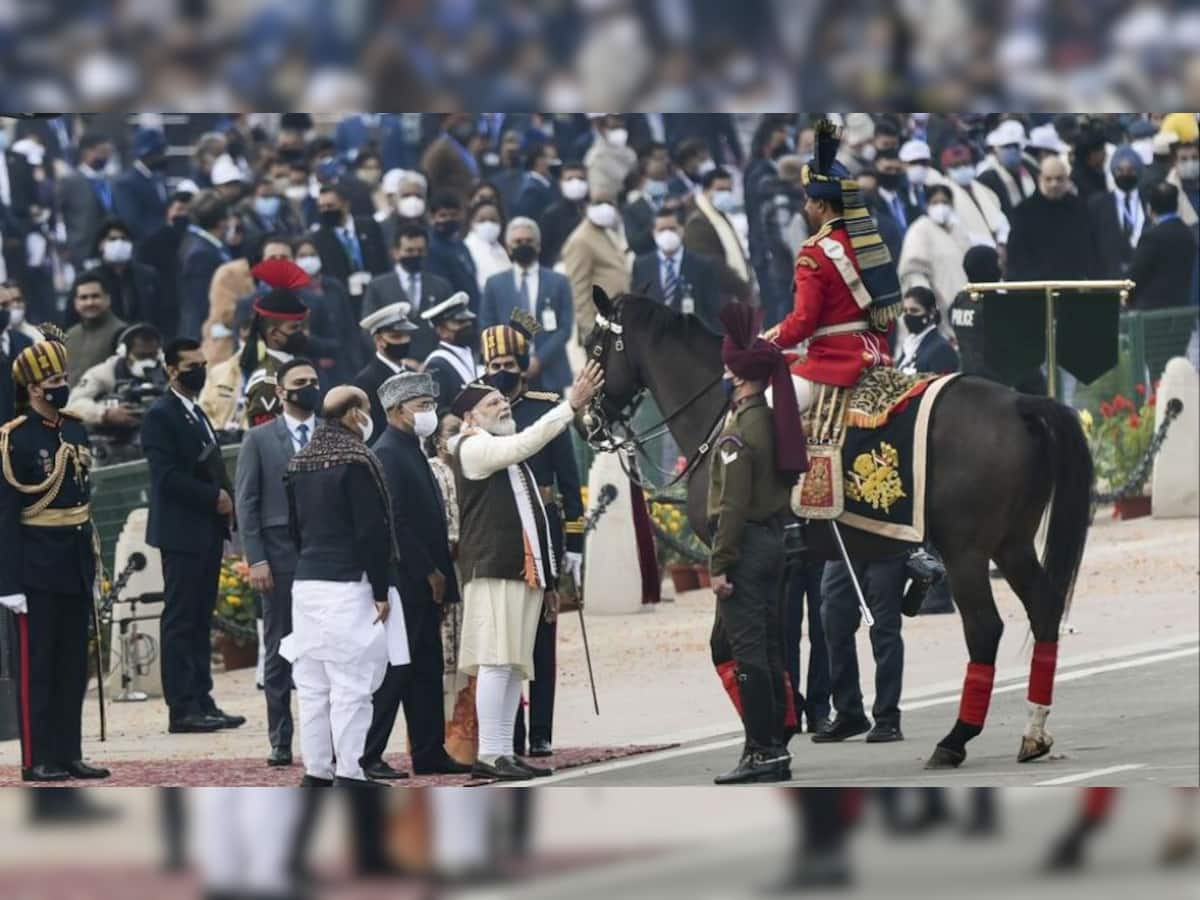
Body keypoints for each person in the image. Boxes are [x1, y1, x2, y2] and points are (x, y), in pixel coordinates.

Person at [448, 360, 603, 781]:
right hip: (495, 569)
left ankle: (503, 752)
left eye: (502, 400)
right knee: (497, 662)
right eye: (492, 403)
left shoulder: (506, 452)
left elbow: (535, 523)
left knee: (515, 664)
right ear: (470, 417)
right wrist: (569, 407)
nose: (502, 406)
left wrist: (551, 580)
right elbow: (524, 444)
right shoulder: (473, 446)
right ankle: (491, 754)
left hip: (523, 572)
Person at [283, 385, 406, 786]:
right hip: (349, 584)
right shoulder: (356, 459)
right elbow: (371, 530)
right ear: (354, 415)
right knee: (352, 686)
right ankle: (351, 772)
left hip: (307, 583)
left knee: (314, 687)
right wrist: (381, 589)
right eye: (367, 410)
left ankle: (317, 771)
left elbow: (294, 529)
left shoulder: (300, 461)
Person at [0, 338, 110, 782]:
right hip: (36, 567)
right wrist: (8, 583)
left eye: (64, 379)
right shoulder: (14, 439)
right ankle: (37, 757)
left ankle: (69, 752)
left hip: (74, 559)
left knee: (71, 665)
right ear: (32, 389)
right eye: (54, 381)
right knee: (37, 667)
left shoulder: (76, 429)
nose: (62, 387)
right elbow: (5, 517)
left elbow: (82, 498)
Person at [706, 302, 807, 785]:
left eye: (729, 365)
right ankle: (774, 743)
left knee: (748, 653)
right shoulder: (768, 420)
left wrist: (719, 563)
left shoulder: (738, 433)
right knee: (767, 648)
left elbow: (731, 507)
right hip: (771, 542)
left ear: (740, 377)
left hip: (744, 548)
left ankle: (762, 749)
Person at [479, 316, 586, 758]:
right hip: (502, 531)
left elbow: (569, 479)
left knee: (540, 639)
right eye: (494, 364)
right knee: (506, 643)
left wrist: (576, 545)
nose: (501, 370)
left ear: (523, 365)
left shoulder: (545, 406)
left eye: (508, 362)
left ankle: (540, 730)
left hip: (545, 529)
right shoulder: (478, 411)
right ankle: (510, 734)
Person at [364, 372, 473, 778]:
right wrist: (427, 570)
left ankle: (429, 752)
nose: (429, 412)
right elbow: (397, 521)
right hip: (409, 579)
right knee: (399, 671)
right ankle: (369, 754)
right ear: (395, 411)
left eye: (430, 404)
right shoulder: (389, 452)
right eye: (421, 406)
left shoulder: (412, 448)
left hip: (430, 580)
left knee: (426, 670)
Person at [141, 337, 246, 735]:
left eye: (203, 363)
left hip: (204, 531)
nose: (199, 371)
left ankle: (203, 698)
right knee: (181, 620)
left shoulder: (195, 413)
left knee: (201, 619)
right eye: (191, 365)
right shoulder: (160, 415)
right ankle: (182, 707)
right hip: (181, 531)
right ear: (171, 369)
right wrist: (213, 497)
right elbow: (165, 478)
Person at [235, 357, 321, 769]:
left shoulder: (330, 432)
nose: (309, 387)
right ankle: (281, 738)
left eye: (314, 381)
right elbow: (246, 504)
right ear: (282, 391)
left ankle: (326, 736)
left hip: (326, 556)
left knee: (327, 650)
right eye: (300, 382)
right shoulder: (259, 439)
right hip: (279, 556)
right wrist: (257, 559)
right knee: (280, 650)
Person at [813, 555, 908, 744]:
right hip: (842, 546)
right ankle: (849, 713)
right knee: (834, 623)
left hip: (886, 544)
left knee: (884, 631)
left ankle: (887, 717)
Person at [479, 217, 575, 393]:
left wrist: (538, 360)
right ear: (508, 247)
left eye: (528, 241)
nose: (523, 244)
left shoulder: (559, 282)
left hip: (551, 372)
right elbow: (487, 327)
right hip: (508, 375)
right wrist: (512, 361)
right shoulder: (494, 284)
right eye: (518, 241)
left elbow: (565, 329)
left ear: (538, 246)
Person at [64, 322, 166, 464]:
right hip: (113, 442)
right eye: (141, 356)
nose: (147, 362)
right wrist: (105, 413)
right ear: (124, 352)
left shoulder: (168, 370)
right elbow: (73, 405)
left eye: (152, 355)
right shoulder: (103, 373)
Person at [1128, 182, 1200, 380]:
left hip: (1153, 317)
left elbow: (1135, 277)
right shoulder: (1188, 234)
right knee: (1175, 367)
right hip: (1181, 315)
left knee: (1157, 370)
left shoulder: (1152, 237)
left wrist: (1127, 300)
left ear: (1150, 208)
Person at [362, 223, 453, 361]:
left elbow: (450, 327)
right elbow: (369, 331)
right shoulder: (378, 286)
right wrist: (394, 358)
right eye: (409, 251)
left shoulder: (441, 286)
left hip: (434, 362)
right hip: (394, 363)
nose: (415, 255)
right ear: (395, 252)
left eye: (420, 250)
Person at [632, 205, 725, 334]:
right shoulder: (641, 266)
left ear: (682, 230)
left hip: (691, 342)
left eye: (672, 229)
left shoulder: (703, 266)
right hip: (655, 342)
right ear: (654, 233)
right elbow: (638, 310)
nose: (667, 234)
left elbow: (713, 311)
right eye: (662, 230)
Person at [897, 184, 972, 337]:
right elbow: (914, 273)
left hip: (963, 310)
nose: (941, 207)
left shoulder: (959, 231)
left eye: (945, 202)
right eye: (935, 202)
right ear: (927, 205)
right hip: (936, 311)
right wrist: (928, 306)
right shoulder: (920, 230)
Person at [1007, 155, 1098, 282]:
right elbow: (1016, 258)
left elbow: (1090, 250)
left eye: (1059, 179)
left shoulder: (1080, 208)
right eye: (1048, 179)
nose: (1054, 184)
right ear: (1040, 179)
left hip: (1073, 286)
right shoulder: (1023, 213)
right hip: (1035, 289)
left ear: (1067, 179)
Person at [561, 187, 632, 342]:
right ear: (586, 205)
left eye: (609, 202)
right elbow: (578, 289)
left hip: (618, 320)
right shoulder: (580, 240)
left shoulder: (608, 233)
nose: (605, 208)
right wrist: (590, 331)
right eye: (598, 202)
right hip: (600, 326)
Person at [238, 287, 311, 427]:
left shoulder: (298, 366)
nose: (302, 333)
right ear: (274, 334)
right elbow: (266, 440)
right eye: (294, 328)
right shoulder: (267, 382)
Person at [684, 167, 753, 303]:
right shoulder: (698, 222)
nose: (726, 194)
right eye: (720, 190)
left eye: (729, 190)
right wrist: (742, 287)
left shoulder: (721, 215)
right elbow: (712, 264)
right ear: (706, 191)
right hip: (717, 299)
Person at [311, 184, 390, 303]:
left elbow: (383, 260)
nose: (325, 211)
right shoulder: (318, 238)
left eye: (330, 206)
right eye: (321, 207)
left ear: (345, 205)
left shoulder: (369, 226)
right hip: (344, 300)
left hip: (376, 294)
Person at [354, 302, 420, 444]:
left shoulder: (412, 374)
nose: (404, 341)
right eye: (396, 336)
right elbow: (369, 431)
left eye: (406, 335)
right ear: (379, 340)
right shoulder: (366, 380)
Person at [178, 191, 233, 341]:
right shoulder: (200, 253)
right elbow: (200, 300)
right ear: (222, 222)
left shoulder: (208, 245)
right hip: (203, 334)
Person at [56, 132, 115, 269]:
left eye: (108, 153)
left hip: (109, 250)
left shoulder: (110, 181)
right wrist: (65, 246)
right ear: (86, 152)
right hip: (81, 250)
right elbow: (59, 215)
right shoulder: (70, 182)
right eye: (102, 152)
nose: (106, 157)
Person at [1090, 144, 1148, 278]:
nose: (1125, 174)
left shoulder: (1150, 200)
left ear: (1138, 172)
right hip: (1109, 276)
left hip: (1145, 276)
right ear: (1113, 172)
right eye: (1120, 170)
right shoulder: (1097, 205)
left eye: (1131, 170)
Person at [936, 143, 1009, 249]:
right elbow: (955, 230)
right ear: (946, 169)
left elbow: (1001, 219)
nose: (962, 168)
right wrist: (990, 245)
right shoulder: (943, 194)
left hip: (999, 247)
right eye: (956, 166)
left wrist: (1002, 242)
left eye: (966, 164)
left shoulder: (982, 189)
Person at [420, 292, 482, 416]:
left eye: (468, 321)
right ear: (442, 331)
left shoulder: (469, 354)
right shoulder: (437, 365)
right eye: (459, 322)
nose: (467, 325)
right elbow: (439, 412)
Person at [63, 273, 127, 387]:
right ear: (76, 303)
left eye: (95, 296)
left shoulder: (122, 333)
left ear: (107, 299)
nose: (89, 302)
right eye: (84, 298)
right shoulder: (71, 335)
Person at [112, 127, 169, 242]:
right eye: (160, 152)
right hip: (142, 251)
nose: (164, 156)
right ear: (147, 154)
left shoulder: (158, 177)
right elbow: (132, 223)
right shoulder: (126, 183)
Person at [426, 193, 480, 311]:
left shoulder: (460, 244)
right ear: (432, 218)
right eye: (443, 215)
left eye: (453, 215)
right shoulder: (431, 249)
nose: (449, 219)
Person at [976, 120, 1039, 219]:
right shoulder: (987, 178)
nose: (1012, 150)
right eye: (1006, 147)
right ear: (995, 150)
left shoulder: (1029, 168)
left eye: (1015, 146)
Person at [894, 287, 960, 375]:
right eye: (905, 311)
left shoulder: (942, 349)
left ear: (931, 313)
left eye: (914, 311)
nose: (908, 316)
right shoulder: (910, 345)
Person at [536, 160, 588, 267]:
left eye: (581, 179)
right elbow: (544, 253)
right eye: (570, 179)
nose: (576, 183)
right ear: (560, 183)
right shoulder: (551, 215)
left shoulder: (592, 213)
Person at [463, 200, 510, 292]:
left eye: (493, 220)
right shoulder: (466, 248)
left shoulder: (501, 249)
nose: (488, 224)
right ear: (472, 222)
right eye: (482, 220)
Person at [513, 140, 561, 223]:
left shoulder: (547, 184)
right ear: (539, 161)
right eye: (549, 157)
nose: (552, 162)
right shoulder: (532, 190)